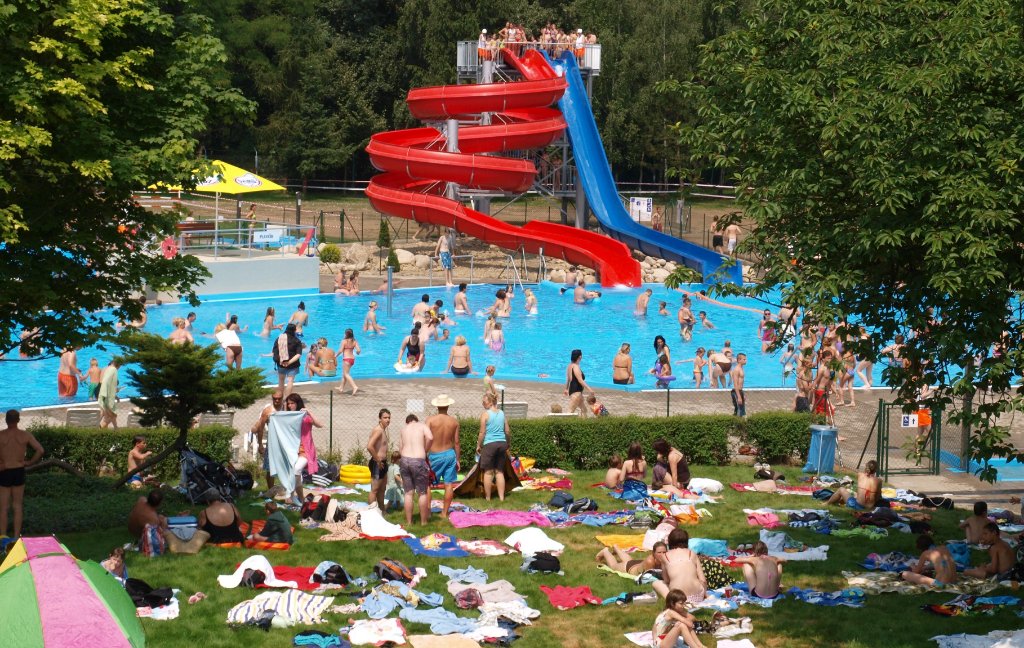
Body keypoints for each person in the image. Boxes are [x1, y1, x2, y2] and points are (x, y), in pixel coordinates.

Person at [0, 410, 44, 538]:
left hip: (4, 471)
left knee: (3, 508)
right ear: (18, 420)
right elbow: (40, 450)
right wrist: (29, 462)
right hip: (18, 470)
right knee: (17, 506)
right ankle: (16, 537)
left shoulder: (1, 435)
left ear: (6, 420)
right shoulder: (25, 435)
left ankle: (3, 537)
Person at [284, 394, 323, 506]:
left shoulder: (305, 416)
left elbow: (320, 425)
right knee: (295, 474)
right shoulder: (289, 417)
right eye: (288, 404)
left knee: (296, 470)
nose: (290, 406)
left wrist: (309, 412)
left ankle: (292, 496)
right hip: (293, 450)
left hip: (306, 450)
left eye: (292, 403)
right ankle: (299, 498)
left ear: (298, 403)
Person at [426, 395, 460, 519]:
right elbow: (457, 442)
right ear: (448, 405)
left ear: (437, 406)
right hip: (450, 454)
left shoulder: (430, 420)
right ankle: (444, 513)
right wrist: (458, 459)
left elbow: (425, 439)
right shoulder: (454, 422)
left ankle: (428, 512)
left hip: (434, 455)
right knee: (448, 484)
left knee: (427, 484)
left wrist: (423, 455)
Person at [653, 529, 707, 604]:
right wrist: (704, 594)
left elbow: (667, 580)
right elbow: (703, 580)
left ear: (670, 541)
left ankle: (673, 601)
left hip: (678, 597)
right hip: (697, 596)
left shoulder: (665, 556)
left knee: (656, 583)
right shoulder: (692, 554)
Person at [399, 414, 433, 526]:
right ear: (416, 420)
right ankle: (423, 522)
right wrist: (425, 449)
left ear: (407, 422)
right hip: (418, 460)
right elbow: (430, 438)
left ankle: (409, 522)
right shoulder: (422, 425)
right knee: (422, 492)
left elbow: (400, 449)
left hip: (404, 460)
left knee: (408, 493)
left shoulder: (403, 429)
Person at [477, 393, 510, 501]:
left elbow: (482, 432)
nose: (483, 404)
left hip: (490, 444)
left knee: (488, 472)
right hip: (502, 443)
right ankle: (501, 498)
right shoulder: (502, 413)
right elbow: (507, 431)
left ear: (491, 402)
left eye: (484, 402)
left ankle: (488, 498)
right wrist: (508, 443)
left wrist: (478, 445)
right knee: (499, 471)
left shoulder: (485, 414)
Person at [251, 391, 283, 494]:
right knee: (270, 468)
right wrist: (260, 444)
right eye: (275, 398)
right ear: (272, 398)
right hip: (272, 442)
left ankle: (287, 489)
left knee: (286, 466)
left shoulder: (286, 408)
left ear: (282, 398)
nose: (277, 400)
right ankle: (271, 490)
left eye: (279, 398)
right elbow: (260, 428)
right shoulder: (267, 411)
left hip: (284, 442)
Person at [366, 409, 392, 511]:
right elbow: (369, 446)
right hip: (378, 463)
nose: (387, 420)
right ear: (380, 418)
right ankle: (372, 512)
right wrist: (378, 460)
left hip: (383, 463)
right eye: (385, 418)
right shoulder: (378, 430)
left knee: (382, 490)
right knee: (374, 490)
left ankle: (382, 511)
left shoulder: (383, 430)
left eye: (389, 417)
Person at [596, 540, 666, 576]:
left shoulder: (666, 557)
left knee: (629, 560)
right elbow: (650, 578)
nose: (662, 554)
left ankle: (616, 548)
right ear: (653, 553)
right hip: (630, 568)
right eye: (659, 552)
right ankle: (605, 551)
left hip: (638, 564)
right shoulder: (650, 562)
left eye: (664, 552)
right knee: (613, 566)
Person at [273, 324, 303, 399]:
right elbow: (298, 354)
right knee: (290, 381)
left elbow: (274, 351)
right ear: (294, 331)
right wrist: (289, 362)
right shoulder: (297, 340)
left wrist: (281, 361)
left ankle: (280, 398)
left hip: (281, 363)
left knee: (281, 380)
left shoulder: (279, 338)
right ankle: (287, 399)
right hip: (293, 364)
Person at [564, 349, 594, 416]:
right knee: (570, 411)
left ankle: (583, 421)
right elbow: (580, 380)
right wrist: (590, 389)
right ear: (580, 357)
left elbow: (568, 379)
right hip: (576, 393)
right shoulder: (576, 367)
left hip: (575, 392)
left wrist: (566, 389)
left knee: (584, 410)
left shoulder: (570, 366)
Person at [97, 358, 121, 428]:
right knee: (111, 415)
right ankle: (98, 427)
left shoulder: (107, 369)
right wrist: (107, 395)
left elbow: (106, 383)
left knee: (108, 414)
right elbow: (106, 382)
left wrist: (114, 395)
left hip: (103, 393)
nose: (119, 368)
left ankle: (115, 428)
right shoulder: (113, 370)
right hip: (106, 395)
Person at [336, 329, 361, 395]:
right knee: (344, 374)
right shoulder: (354, 341)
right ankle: (341, 388)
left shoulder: (344, 341)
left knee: (346, 374)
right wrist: (357, 352)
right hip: (352, 359)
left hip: (346, 359)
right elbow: (359, 350)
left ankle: (354, 387)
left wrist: (335, 355)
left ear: (346, 334)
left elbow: (340, 350)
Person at [731, 353, 748, 417]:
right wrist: (739, 396)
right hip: (736, 392)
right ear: (739, 360)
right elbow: (735, 384)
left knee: (742, 410)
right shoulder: (736, 370)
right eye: (744, 359)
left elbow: (740, 383)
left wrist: (742, 394)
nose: (746, 361)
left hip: (740, 391)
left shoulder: (741, 368)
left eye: (745, 359)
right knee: (739, 411)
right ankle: (736, 422)